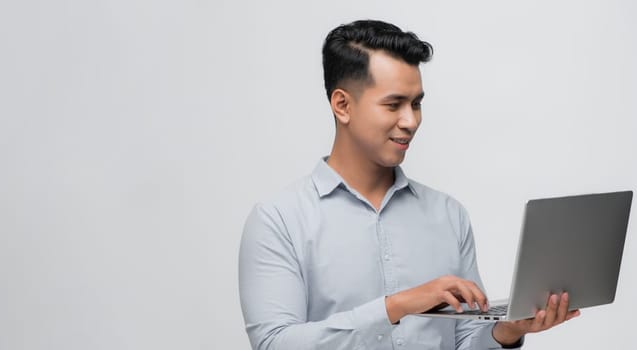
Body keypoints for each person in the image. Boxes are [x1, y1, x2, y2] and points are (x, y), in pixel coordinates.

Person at [238, 19, 579, 350]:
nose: (411, 121)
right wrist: (397, 306)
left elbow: (464, 342)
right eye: (394, 104)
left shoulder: (449, 215)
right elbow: (274, 344)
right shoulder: (278, 221)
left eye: (416, 103)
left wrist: (505, 332)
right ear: (342, 105)